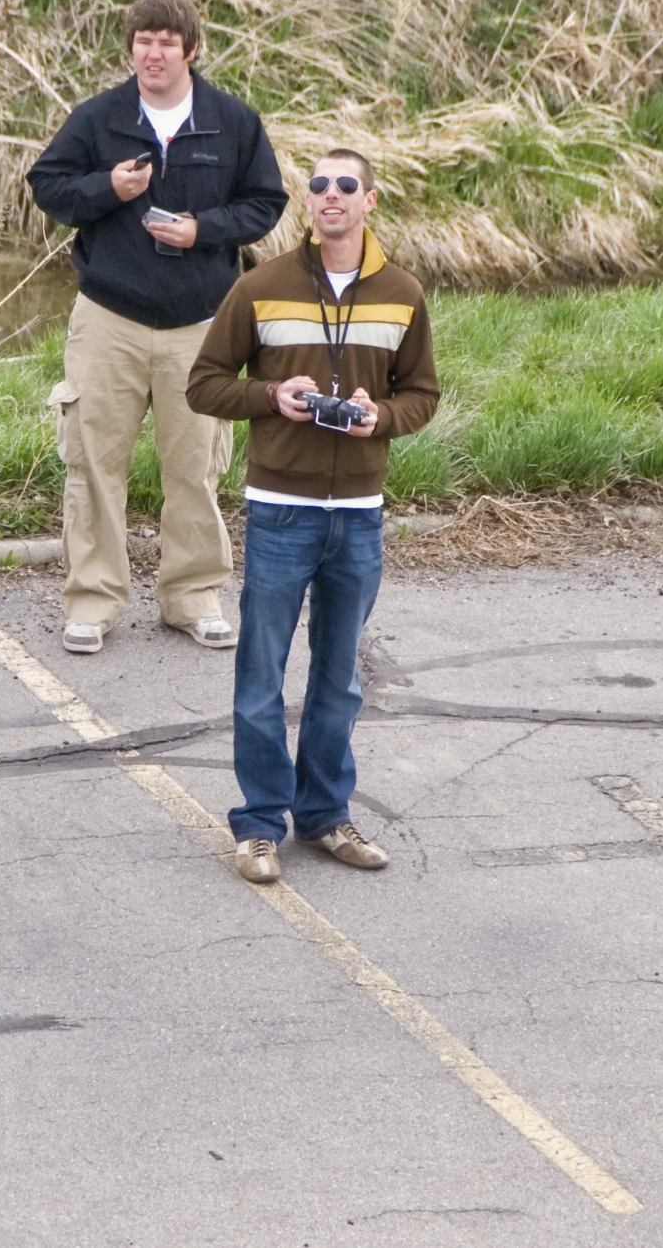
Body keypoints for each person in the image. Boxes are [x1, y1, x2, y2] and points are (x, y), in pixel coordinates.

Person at [186, 149, 438, 885]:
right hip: (280, 510)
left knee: (338, 678)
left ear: (369, 201)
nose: (329, 196)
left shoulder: (401, 293)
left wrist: (379, 417)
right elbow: (203, 384)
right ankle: (260, 825)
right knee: (260, 672)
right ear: (307, 202)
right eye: (317, 186)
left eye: (344, 186)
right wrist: (271, 397)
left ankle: (326, 816)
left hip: (358, 513)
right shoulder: (259, 286)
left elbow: (421, 393)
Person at [27, 0, 288, 656]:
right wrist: (105, 190)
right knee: (91, 466)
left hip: (200, 324)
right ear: (131, 50)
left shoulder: (232, 122)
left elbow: (265, 203)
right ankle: (92, 601)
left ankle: (192, 597)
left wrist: (203, 230)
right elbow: (48, 186)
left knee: (195, 466)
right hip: (107, 318)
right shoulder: (99, 118)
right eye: (143, 40)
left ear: (191, 50)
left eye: (166, 42)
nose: (153, 52)